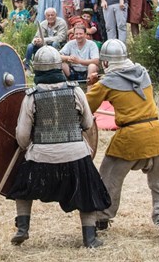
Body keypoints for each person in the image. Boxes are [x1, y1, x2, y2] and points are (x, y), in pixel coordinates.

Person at [7, 45, 110, 248]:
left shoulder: (31, 96)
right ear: (58, 67)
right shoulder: (75, 91)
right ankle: (90, 238)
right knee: (87, 189)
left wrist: (32, 148)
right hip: (76, 155)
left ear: (37, 70)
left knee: (23, 186)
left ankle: (23, 227)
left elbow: (22, 135)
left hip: (42, 157)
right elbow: (88, 124)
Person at [85, 39, 159, 241]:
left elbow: (86, 109)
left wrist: (92, 87)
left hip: (130, 139)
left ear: (105, 62)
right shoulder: (142, 73)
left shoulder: (105, 84)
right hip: (157, 135)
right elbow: (123, 79)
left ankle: (101, 218)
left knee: (108, 180)